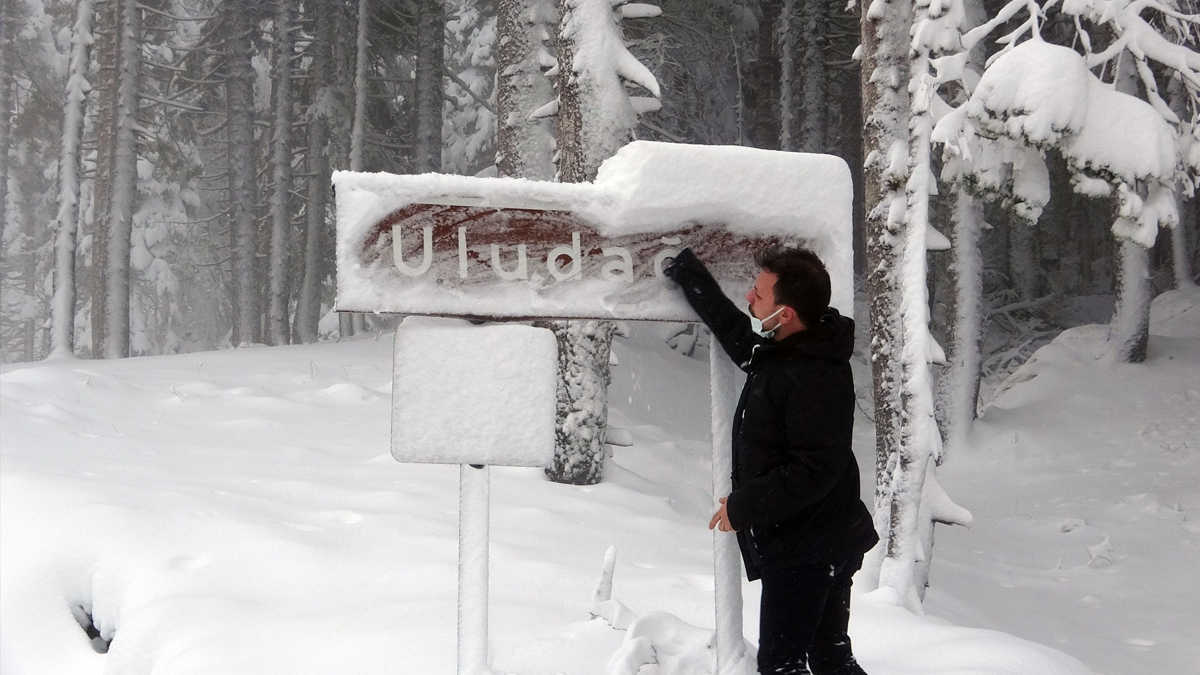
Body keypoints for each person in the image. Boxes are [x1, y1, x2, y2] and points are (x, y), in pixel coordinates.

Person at [663, 245, 878, 675]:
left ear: (787, 315)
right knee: (829, 657)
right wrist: (690, 276)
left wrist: (742, 507)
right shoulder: (794, 349)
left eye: (758, 295)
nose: (749, 298)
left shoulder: (814, 375)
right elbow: (742, 340)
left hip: (809, 545)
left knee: (783, 664)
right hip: (822, 535)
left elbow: (813, 468)